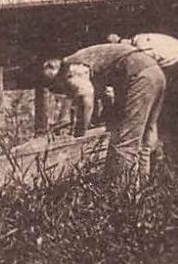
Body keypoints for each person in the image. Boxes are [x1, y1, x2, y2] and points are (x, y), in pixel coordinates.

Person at [40, 41, 167, 186]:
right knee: (143, 141)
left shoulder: (71, 67)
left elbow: (86, 99)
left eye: (55, 83)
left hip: (138, 75)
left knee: (124, 142)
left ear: (52, 66)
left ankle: (121, 197)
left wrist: (80, 135)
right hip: (155, 72)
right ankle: (142, 189)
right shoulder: (87, 60)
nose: (60, 87)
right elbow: (105, 96)